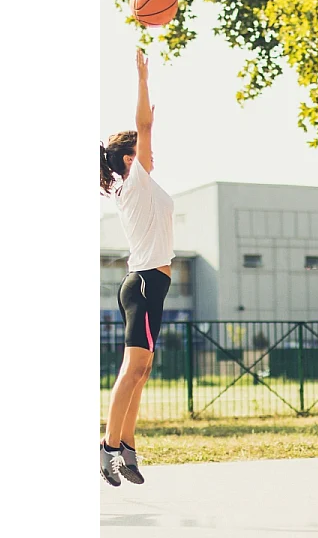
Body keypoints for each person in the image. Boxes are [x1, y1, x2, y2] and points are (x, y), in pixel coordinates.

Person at [99, 49, 174, 487]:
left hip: (151, 284)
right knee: (133, 369)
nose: (151, 152)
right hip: (144, 284)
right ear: (130, 157)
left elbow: (143, 130)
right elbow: (144, 125)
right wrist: (143, 78)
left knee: (142, 370)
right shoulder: (138, 178)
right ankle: (107, 448)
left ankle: (125, 445)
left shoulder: (137, 184)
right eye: (143, 149)